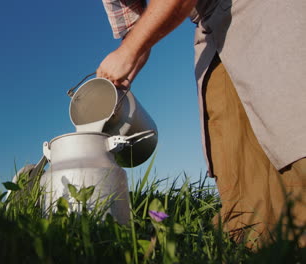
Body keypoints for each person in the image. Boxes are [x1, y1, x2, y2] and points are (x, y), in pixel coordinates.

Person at [98, 0, 306, 249]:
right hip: (210, 26)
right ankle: (263, 247)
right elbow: (136, 31)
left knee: (289, 117)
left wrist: (128, 52)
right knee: (231, 149)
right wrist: (124, 70)